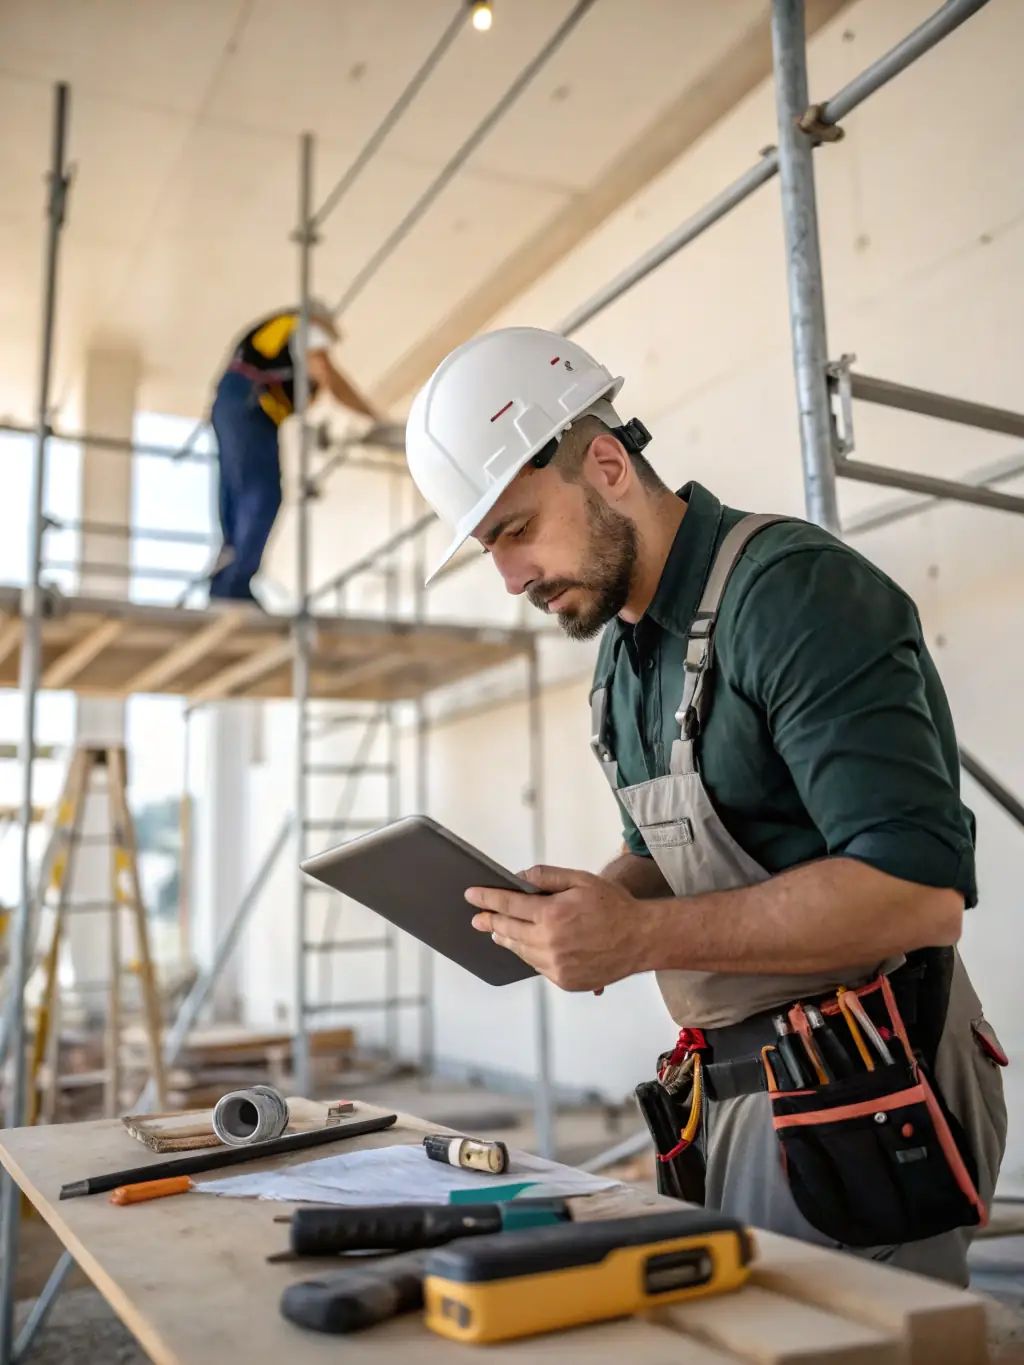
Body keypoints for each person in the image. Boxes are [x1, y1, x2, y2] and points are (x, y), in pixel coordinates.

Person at [403, 324, 1008, 1285]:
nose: (510, 578)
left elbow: (918, 893)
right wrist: (589, 908)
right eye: (489, 547)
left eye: (515, 530)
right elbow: (661, 853)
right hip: (735, 1097)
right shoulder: (621, 662)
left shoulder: (793, 596)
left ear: (605, 464)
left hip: (867, 1087)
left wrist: (638, 939)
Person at [207, 299, 379, 601]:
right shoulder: (303, 325)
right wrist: (373, 418)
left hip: (232, 408)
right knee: (262, 495)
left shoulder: (275, 344)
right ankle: (235, 587)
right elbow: (327, 373)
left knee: (236, 500)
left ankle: (225, 583)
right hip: (250, 409)